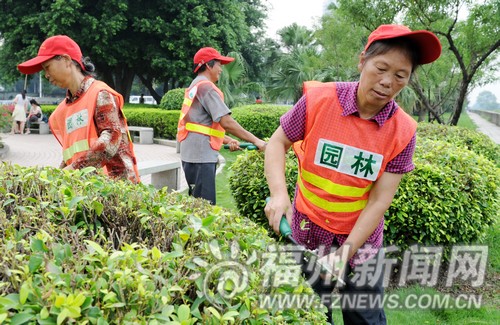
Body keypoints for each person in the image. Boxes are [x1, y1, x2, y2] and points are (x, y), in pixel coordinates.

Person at [264, 24, 441, 324]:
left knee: (366, 318)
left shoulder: (404, 131)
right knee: (309, 315)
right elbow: (277, 143)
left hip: (362, 244)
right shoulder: (320, 100)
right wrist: (279, 193)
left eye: (401, 76)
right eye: (381, 68)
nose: (387, 82)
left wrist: (345, 253)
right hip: (308, 232)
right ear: (362, 61)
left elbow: (378, 202)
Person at [17, 35, 140, 183]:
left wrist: (72, 170)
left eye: (47, 67)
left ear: (66, 60)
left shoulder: (100, 94)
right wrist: (56, 175)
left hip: (116, 190)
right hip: (86, 190)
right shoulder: (62, 110)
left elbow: (111, 138)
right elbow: (72, 154)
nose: (46, 75)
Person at [177, 47, 267, 205]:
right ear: (209, 65)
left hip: (191, 155)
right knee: (205, 211)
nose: (221, 69)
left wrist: (227, 140)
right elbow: (226, 122)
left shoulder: (194, 86)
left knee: (196, 207)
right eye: (219, 64)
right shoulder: (207, 88)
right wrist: (257, 141)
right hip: (201, 157)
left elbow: (200, 125)